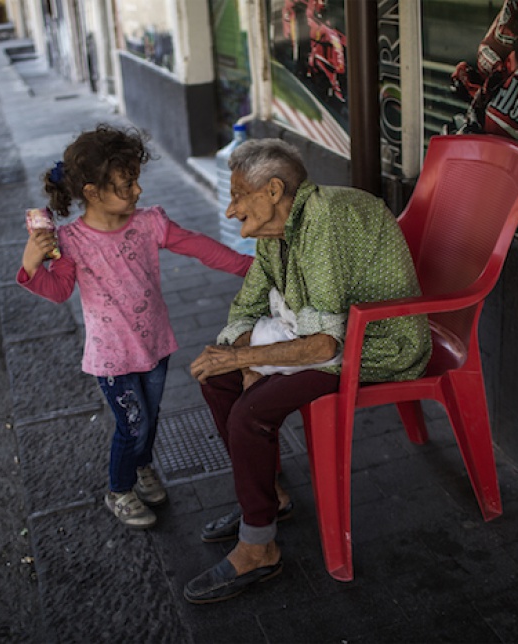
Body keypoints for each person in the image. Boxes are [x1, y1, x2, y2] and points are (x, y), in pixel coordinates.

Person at [184, 139, 432, 603]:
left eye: (240, 194)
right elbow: (246, 309)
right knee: (219, 381)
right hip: (327, 340)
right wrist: (241, 357)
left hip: (377, 346)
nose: (232, 206)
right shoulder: (276, 234)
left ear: (274, 190)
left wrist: (247, 360)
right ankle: (269, 497)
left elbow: (325, 345)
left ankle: (259, 547)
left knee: (249, 412)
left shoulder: (325, 220)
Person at [17, 124, 254, 530]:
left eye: (135, 182)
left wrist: (250, 267)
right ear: (92, 192)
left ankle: (143, 465)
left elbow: (199, 246)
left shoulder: (149, 224)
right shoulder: (70, 242)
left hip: (155, 344)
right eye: (126, 185)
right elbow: (58, 291)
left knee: (151, 415)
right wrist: (30, 264)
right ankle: (120, 489)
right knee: (133, 424)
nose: (137, 192)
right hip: (112, 357)